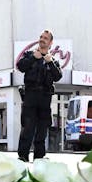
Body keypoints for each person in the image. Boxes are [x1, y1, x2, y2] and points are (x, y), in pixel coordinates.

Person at [16, 30, 63, 160]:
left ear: (50, 42)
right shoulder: (30, 54)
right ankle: (23, 156)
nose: (42, 39)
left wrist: (50, 62)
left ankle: (39, 158)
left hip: (45, 98)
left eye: (45, 38)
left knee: (42, 129)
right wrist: (33, 58)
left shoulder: (52, 60)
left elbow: (58, 76)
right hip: (30, 96)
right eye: (41, 37)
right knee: (27, 128)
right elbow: (20, 66)